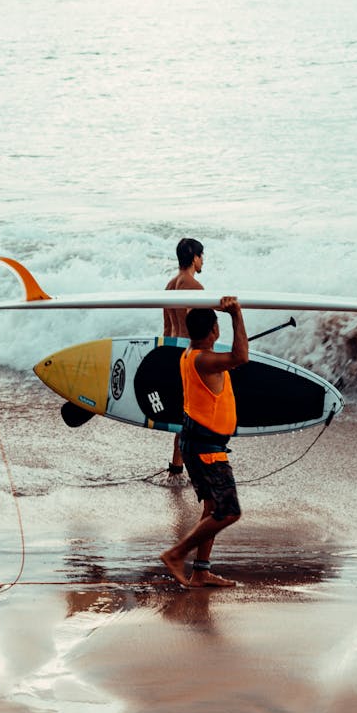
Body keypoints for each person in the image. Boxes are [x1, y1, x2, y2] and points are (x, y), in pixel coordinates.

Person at [160, 297, 248, 588]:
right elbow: (241, 357)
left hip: (197, 444)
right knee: (229, 511)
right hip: (205, 450)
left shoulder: (191, 354)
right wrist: (236, 314)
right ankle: (176, 554)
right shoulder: (204, 359)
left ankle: (200, 571)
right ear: (214, 330)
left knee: (211, 509)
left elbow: (231, 359)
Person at [163, 237, 204, 476]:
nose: (202, 260)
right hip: (192, 355)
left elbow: (167, 329)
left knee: (183, 414)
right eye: (201, 255)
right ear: (194, 257)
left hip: (174, 354)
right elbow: (204, 328)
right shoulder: (195, 287)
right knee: (193, 413)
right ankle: (196, 466)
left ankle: (176, 467)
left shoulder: (169, 286)